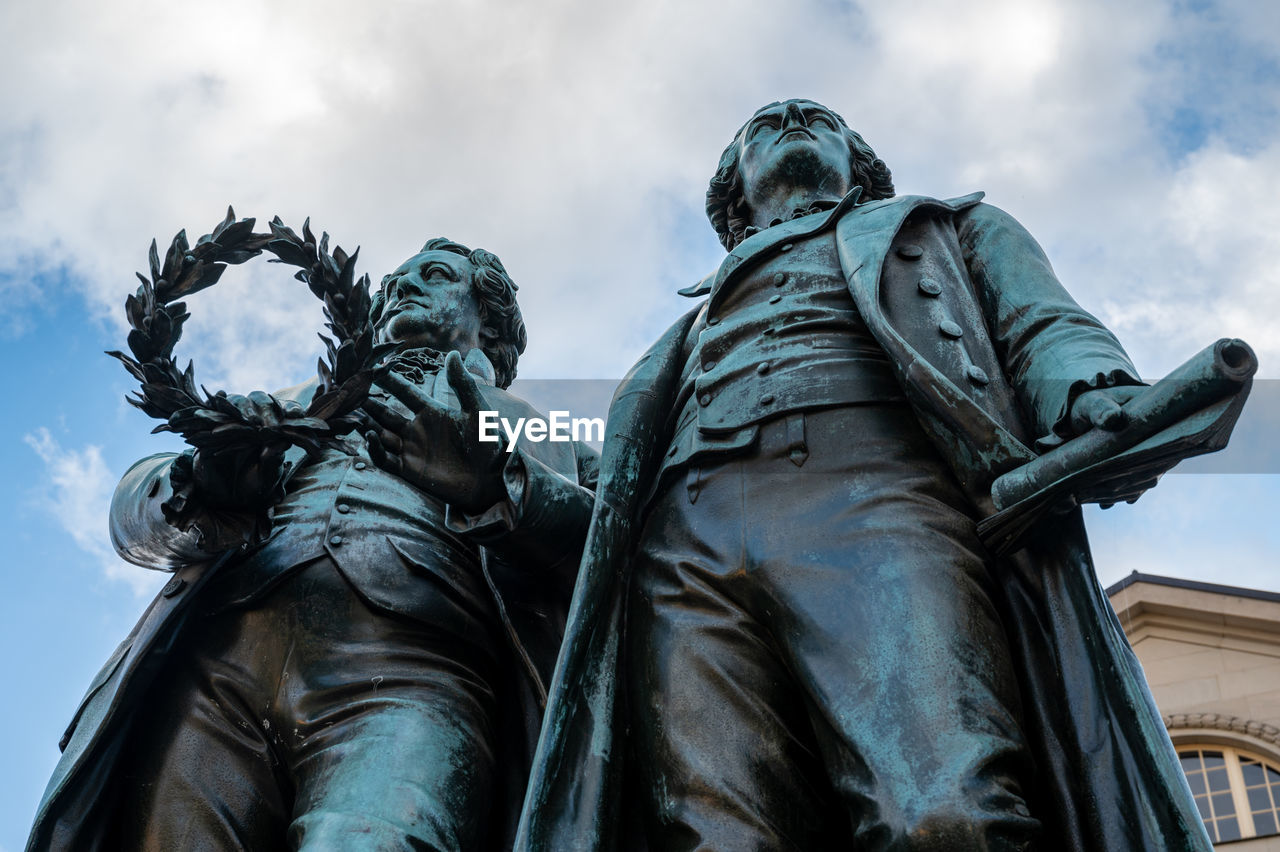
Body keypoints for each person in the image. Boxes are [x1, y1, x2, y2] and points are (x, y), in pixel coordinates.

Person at [517, 100, 1213, 851]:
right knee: (718, 837)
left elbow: (1046, 327)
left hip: (881, 505)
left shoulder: (941, 229)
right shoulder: (679, 334)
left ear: (860, 160)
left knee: (945, 815)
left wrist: (1093, 392)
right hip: (681, 549)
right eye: (765, 123)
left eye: (817, 117)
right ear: (733, 189)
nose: (791, 119)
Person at [28, 238, 597, 851]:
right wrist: (198, 481)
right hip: (215, 670)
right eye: (393, 280)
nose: (402, 286)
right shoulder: (291, 402)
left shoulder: (538, 430)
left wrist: (498, 484)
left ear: (490, 319)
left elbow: (613, 548)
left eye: (433, 276)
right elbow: (134, 526)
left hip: (413, 677)